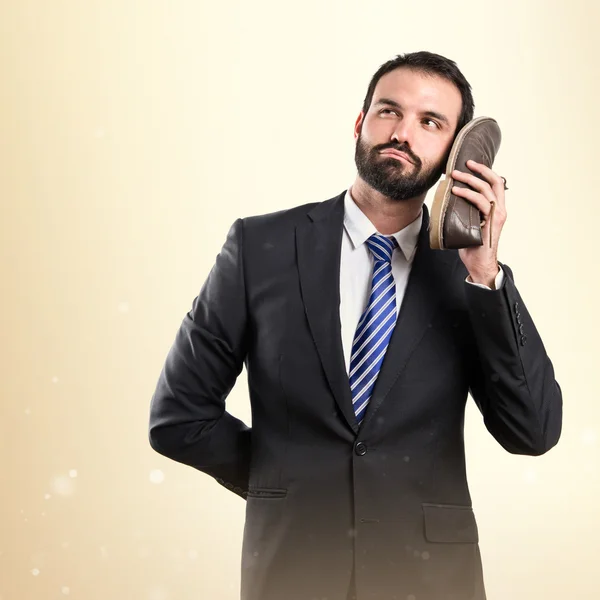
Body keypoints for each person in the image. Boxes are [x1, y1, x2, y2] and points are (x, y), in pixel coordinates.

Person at [148, 50, 562, 600]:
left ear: (457, 157)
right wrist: (286, 483)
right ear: (360, 123)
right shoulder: (260, 246)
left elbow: (532, 432)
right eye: (388, 111)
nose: (402, 133)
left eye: (430, 122)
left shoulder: (468, 276)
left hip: (432, 580)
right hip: (293, 570)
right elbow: (179, 416)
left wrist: (486, 271)